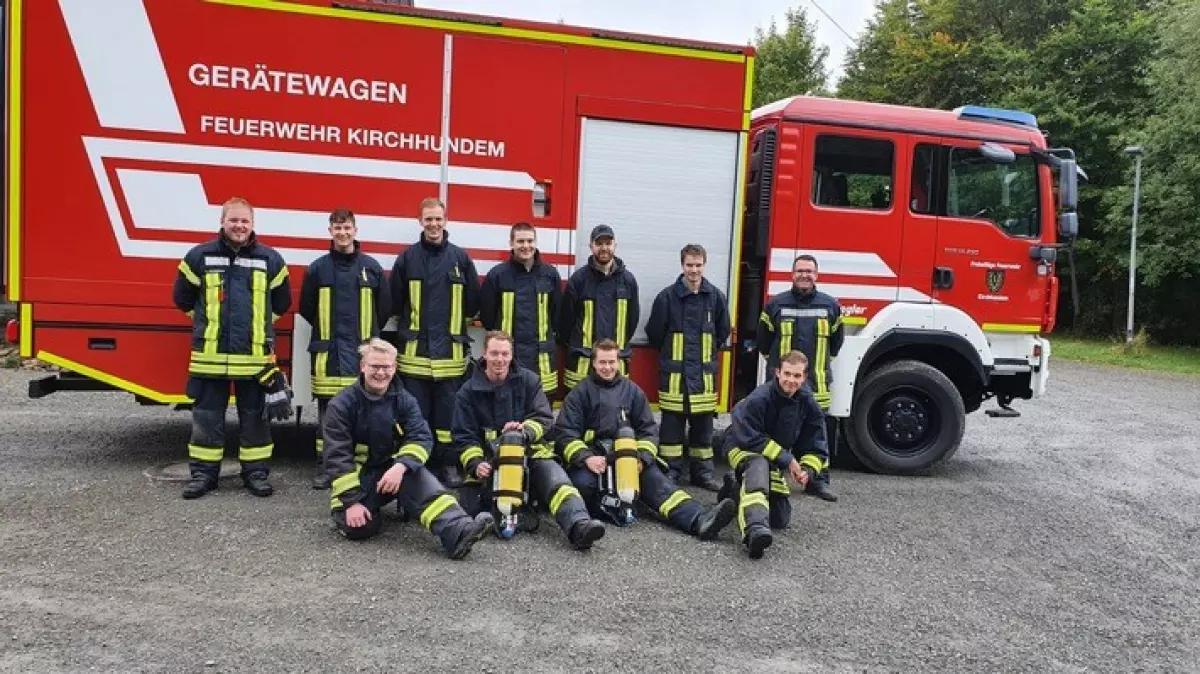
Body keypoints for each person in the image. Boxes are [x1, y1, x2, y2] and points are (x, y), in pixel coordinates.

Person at [322, 338, 493, 559]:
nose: (381, 373)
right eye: (375, 366)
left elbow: (421, 437)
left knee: (414, 472)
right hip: (357, 480)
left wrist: (401, 466)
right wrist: (351, 503)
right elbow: (337, 457)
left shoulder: (404, 399)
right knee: (360, 528)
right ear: (363, 366)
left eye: (386, 367)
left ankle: (459, 531)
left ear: (395, 368)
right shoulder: (341, 405)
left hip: (390, 474)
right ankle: (364, 510)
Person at [555, 339, 736, 540]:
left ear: (619, 362)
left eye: (612, 362)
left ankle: (700, 519)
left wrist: (641, 458)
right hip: (595, 460)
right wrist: (586, 458)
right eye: (602, 362)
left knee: (658, 484)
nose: (607, 367)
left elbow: (648, 431)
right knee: (582, 485)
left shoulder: (632, 392)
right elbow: (565, 433)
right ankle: (607, 510)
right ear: (594, 363)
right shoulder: (579, 393)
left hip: (628, 458)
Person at [173, 197, 291, 499]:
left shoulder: (271, 260)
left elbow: (281, 304)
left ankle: (255, 475)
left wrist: (257, 328)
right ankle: (203, 476)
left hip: (255, 361)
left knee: (256, 419)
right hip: (210, 359)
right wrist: (206, 324)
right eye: (234, 220)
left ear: (252, 224)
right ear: (222, 222)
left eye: (244, 221)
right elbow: (182, 299)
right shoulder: (199, 257)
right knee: (206, 419)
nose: (239, 226)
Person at [451, 331, 606, 550]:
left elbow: (544, 418)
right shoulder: (467, 392)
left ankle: (579, 526)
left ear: (511, 354)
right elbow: (463, 436)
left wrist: (524, 432)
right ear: (484, 354)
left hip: (531, 454)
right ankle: (514, 516)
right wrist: (475, 464)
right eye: (494, 353)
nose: (500, 359)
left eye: (505, 354)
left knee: (557, 483)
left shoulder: (529, 381)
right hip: (489, 460)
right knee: (469, 504)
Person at [298, 208, 390, 489]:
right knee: (328, 416)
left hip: (363, 357)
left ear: (355, 230)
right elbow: (307, 309)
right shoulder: (318, 269)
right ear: (330, 231)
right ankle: (328, 468)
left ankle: (359, 469)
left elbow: (384, 309)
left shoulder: (371, 268)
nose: (342, 232)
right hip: (329, 355)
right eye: (337, 228)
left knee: (364, 414)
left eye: (347, 227)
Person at [390, 197, 479, 486]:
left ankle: (449, 464)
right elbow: (394, 301)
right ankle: (419, 466)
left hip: (450, 358)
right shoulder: (407, 259)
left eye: (438, 219)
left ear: (446, 220)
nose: (433, 224)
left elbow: (473, 302)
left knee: (448, 418)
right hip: (415, 357)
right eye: (428, 219)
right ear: (420, 221)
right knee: (417, 417)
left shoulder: (460, 259)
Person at [719, 351, 829, 559]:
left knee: (780, 518)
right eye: (787, 374)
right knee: (758, 469)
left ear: (805, 377)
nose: (791, 380)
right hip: (741, 445)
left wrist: (807, 471)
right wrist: (787, 459)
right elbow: (748, 437)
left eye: (797, 376)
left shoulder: (808, 403)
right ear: (777, 372)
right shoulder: (760, 397)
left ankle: (734, 489)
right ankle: (754, 531)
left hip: (773, 456)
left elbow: (816, 445)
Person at [756, 254, 843, 502]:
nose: (805, 275)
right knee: (774, 431)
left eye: (809, 271)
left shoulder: (830, 306)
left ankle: (817, 481)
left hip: (816, 385)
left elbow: (835, 344)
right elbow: (764, 343)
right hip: (782, 387)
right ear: (792, 274)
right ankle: (769, 479)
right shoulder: (775, 305)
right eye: (800, 271)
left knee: (816, 435)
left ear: (817, 275)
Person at [645, 244, 730, 491]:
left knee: (703, 432)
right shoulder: (666, 298)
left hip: (703, 379)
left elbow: (723, 331)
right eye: (689, 265)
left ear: (705, 265)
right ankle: (670, 472)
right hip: (675, 380)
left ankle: (702, 474)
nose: (694, 270)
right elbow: (655, 334)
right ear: (682, 265)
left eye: (698, 265)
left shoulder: (716, 297)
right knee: (671, 432)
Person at [479, 222, 562, 394]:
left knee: (540, 406)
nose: (526, 246)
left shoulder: (550, 275)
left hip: (541, 360)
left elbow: (557, 316)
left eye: (530, 241)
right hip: (508, 358)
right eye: (520, 241)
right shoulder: (497, 275)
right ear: (511, 243)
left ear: (535, 242)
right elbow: (488, 318)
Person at [557, 225, 639, 390]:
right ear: (591, 246)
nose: (604, 248)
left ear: (615, 245)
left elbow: (632, 321)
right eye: (599, 243)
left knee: (615, 407)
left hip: (615, 365)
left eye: (608, 243)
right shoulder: (579, 280)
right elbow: (565, 322)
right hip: (582, 366)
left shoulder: (628, 281)